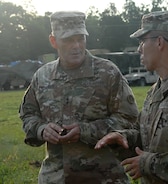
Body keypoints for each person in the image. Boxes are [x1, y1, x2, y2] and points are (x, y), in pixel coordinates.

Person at [19, 11, 139, 184]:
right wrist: (42, 129)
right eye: (68, 40)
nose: (76, 45)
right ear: (53, 41)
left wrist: (85, 131)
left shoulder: (107, 73)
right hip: (55, 177)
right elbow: (28, 114)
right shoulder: (43, 76)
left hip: (104, 177)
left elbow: (129, 118)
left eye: (80, 38)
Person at [95, 10, 168, 183]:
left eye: (143, 41)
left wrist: (149, 164)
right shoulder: (156, 90)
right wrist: (124, 138)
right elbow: (149, 138)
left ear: (159, 42)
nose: (139, 49)